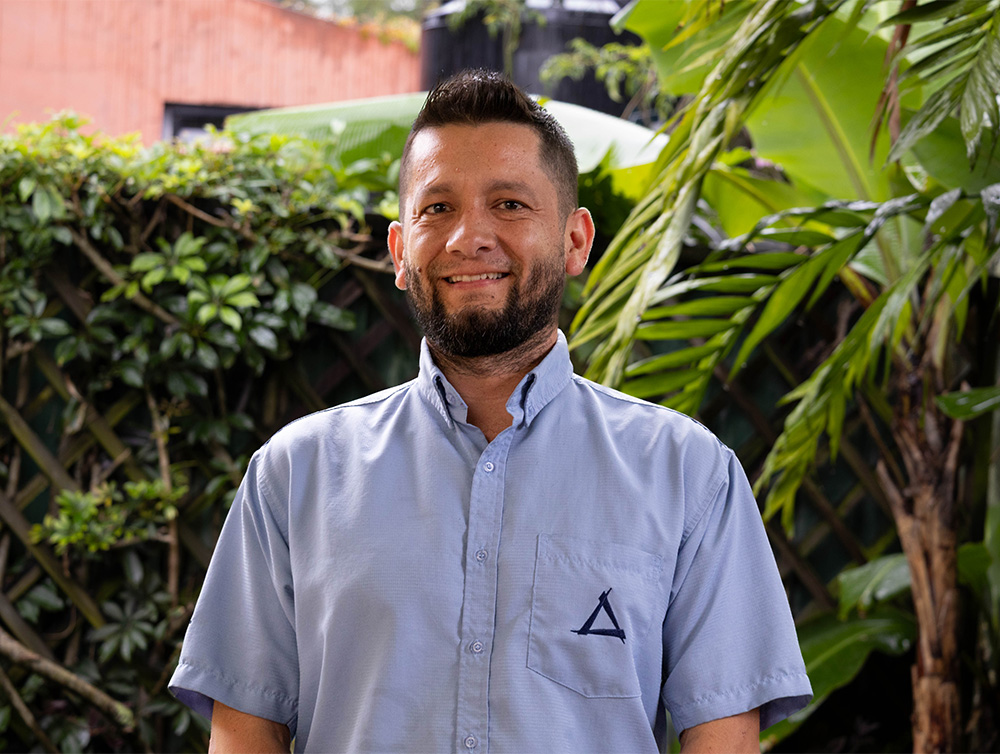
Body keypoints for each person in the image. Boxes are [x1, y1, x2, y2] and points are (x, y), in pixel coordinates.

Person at [169, 69, 812, 753]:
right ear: (399, 252)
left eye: (509, 204)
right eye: (437, 208)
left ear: (574, 241)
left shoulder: (689, 475)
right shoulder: (294, 475)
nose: (468, 236)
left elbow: (724, 739)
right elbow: (244, 734)